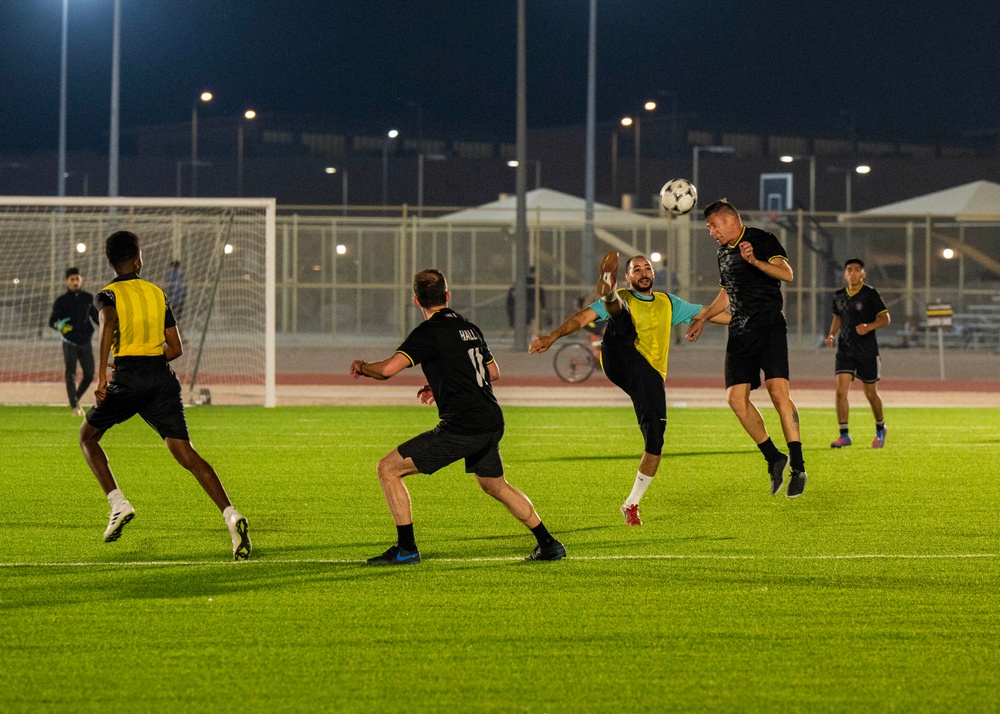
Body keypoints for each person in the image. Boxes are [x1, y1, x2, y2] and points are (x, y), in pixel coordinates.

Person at [350, 268, 565, 564]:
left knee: (388, 469)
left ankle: (406, 549)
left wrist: (362, 366)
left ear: (416, 301)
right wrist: (443, 386)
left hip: (464, 427)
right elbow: (492, 373)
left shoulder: (428, 333)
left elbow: (387, 370)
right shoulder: (470, 328)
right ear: (448, 296)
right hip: (490, 419)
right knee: (494, 484)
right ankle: (549, 544)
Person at [79, 230, 251, 560]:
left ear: (111, 263)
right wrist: (151, 362)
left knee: (88, 437)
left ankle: (118, 503)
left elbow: (107, 325)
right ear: (138, 260)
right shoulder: (158, 293)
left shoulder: (107, 295)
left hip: (128, 378)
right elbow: (176, 348)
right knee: (186, 453)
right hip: (161, 379)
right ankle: (231, 514)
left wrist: (102, 374)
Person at [529, 251, 728, 526]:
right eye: (637, 269)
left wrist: (752, 321)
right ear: (627, 276)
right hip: (618, 357)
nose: (643, 273)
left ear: (653, 274)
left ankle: (631, 503)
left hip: (649, 376)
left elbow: (710, 313)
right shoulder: (627, 295)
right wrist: (552, 336)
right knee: (620, 315)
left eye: (647, 268)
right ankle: (610, 296)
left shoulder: (668, 303)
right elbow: (581, 318)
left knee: (655, 441)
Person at [685, 199, 808, 498]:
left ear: (729, 220)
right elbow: (727, 292)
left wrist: (755, 262)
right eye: (709, 228)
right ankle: (773, 457)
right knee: (735, 400)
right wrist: (703, 317)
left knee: (779, 394)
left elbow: (786, 274)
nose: (711, 232)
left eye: (713, 225)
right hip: (739, 331)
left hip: (769, 328)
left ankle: (799, 467)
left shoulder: (761, 239)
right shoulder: (722, 253)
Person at [824, 258, 890, 448]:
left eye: (856, 270)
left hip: (867, 351)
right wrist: (830, 335)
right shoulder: (838, 296)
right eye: (849, 270)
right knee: (840, 391)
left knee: (870, 393)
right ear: (845, 274)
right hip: (845, 350)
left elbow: (885, 318)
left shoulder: (870, 294)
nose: (852, 273)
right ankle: (844, 435)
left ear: (863, 274)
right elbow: (837, 317)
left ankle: (880, 428)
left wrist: (869, 327)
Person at [49, 267, 99, 416]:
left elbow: (95, 318)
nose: (75, 282)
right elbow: (52, 322)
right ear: (66, 282)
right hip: (69, 342)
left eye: (77, 279)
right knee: (70, 374)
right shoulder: (61, 301)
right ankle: (74, 407)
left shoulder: (88, 298)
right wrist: (60, 326)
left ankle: (75, 399)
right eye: (72, 279)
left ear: (81, 280)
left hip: (86, 342)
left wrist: (107, 325)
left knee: (89, 374)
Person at [506, 265, 546, 335]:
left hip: (522, 304)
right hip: (532, 304)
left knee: (524, 321)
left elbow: (513, 292)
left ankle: (522, 335)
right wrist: (543, 306)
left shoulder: (522, 281)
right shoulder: (537, 282)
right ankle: (532, 337)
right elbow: (541, 295)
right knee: (532, 322)